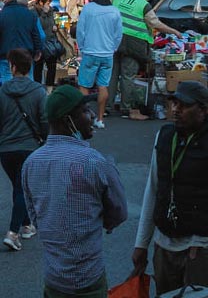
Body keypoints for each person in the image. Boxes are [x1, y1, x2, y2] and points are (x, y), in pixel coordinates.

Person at [131, 81, 208, 297]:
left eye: (184, 105)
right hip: (165, 246)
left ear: (204, 110)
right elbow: (153, 189)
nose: (176, 110)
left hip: (203, 248)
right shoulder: (164, 136)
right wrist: (141, 243)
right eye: (174, 103)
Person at [21, 84, 128, 297]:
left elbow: (35, 216)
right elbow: (119, 213)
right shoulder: (95, 162)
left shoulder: (31, 163)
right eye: (84, 111)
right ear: (68, 120)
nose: (91, 116)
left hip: (54, 278)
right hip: (88, 278)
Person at [0, 48, 47, 251]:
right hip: (30, 147)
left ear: (13, 67)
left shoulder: (2, 91)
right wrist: (45, 140)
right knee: (22, 188)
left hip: (6, 149)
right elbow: (44, 119)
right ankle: (13, 232)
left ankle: (27, 225)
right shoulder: (38, 90)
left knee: (19, 187)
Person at [114, 0, 182, 121]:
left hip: (114, 39)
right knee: (128, 75)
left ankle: (108, 106)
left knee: (113, 74)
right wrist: (173, 31)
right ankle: (126, 108)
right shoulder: (143, 4)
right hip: (133, 42)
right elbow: (155, 23)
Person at [75, 0, 123, 129]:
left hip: (90, 51)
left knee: (84, 86)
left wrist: (81, 47)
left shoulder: (88, 9)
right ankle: (100, 119)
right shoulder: (115, 11)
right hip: (107, 53)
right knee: (103, 86)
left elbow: (80, 30)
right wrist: (113, 48)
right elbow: (118, 34)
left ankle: (84, 117)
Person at [0, 0, 43, 83]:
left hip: (6, 55)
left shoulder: (2, 15)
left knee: (7, 82)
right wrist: (38, 50)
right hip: (26, 53)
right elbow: (35, 34)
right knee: (28, 81)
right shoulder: (29, 14)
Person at [31, 0, 60, 86]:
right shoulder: (33, 12)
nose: (49, 5)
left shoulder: (50, 11)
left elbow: (52, 23)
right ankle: (37, 87)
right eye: (48, 3)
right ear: (41, 2)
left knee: (52, 67)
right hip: (40, 44)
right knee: (38, 68)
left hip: (51, 43)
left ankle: (49, 88)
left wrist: (55, 26)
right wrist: (44, 14)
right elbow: (40, 25)